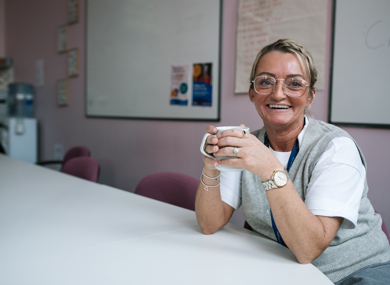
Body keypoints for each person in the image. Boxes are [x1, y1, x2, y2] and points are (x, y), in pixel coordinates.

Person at [195, 39, 390, 284]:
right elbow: (209, 223)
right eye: (265, 82)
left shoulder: (336, 148)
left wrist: (268, 167)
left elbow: (308, 249)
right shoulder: (247, 145)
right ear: (252, 93)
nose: (278, 93)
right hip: (282, 269)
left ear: (310, 97)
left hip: (354, 272)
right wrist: (211, 165)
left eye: (295, 84)